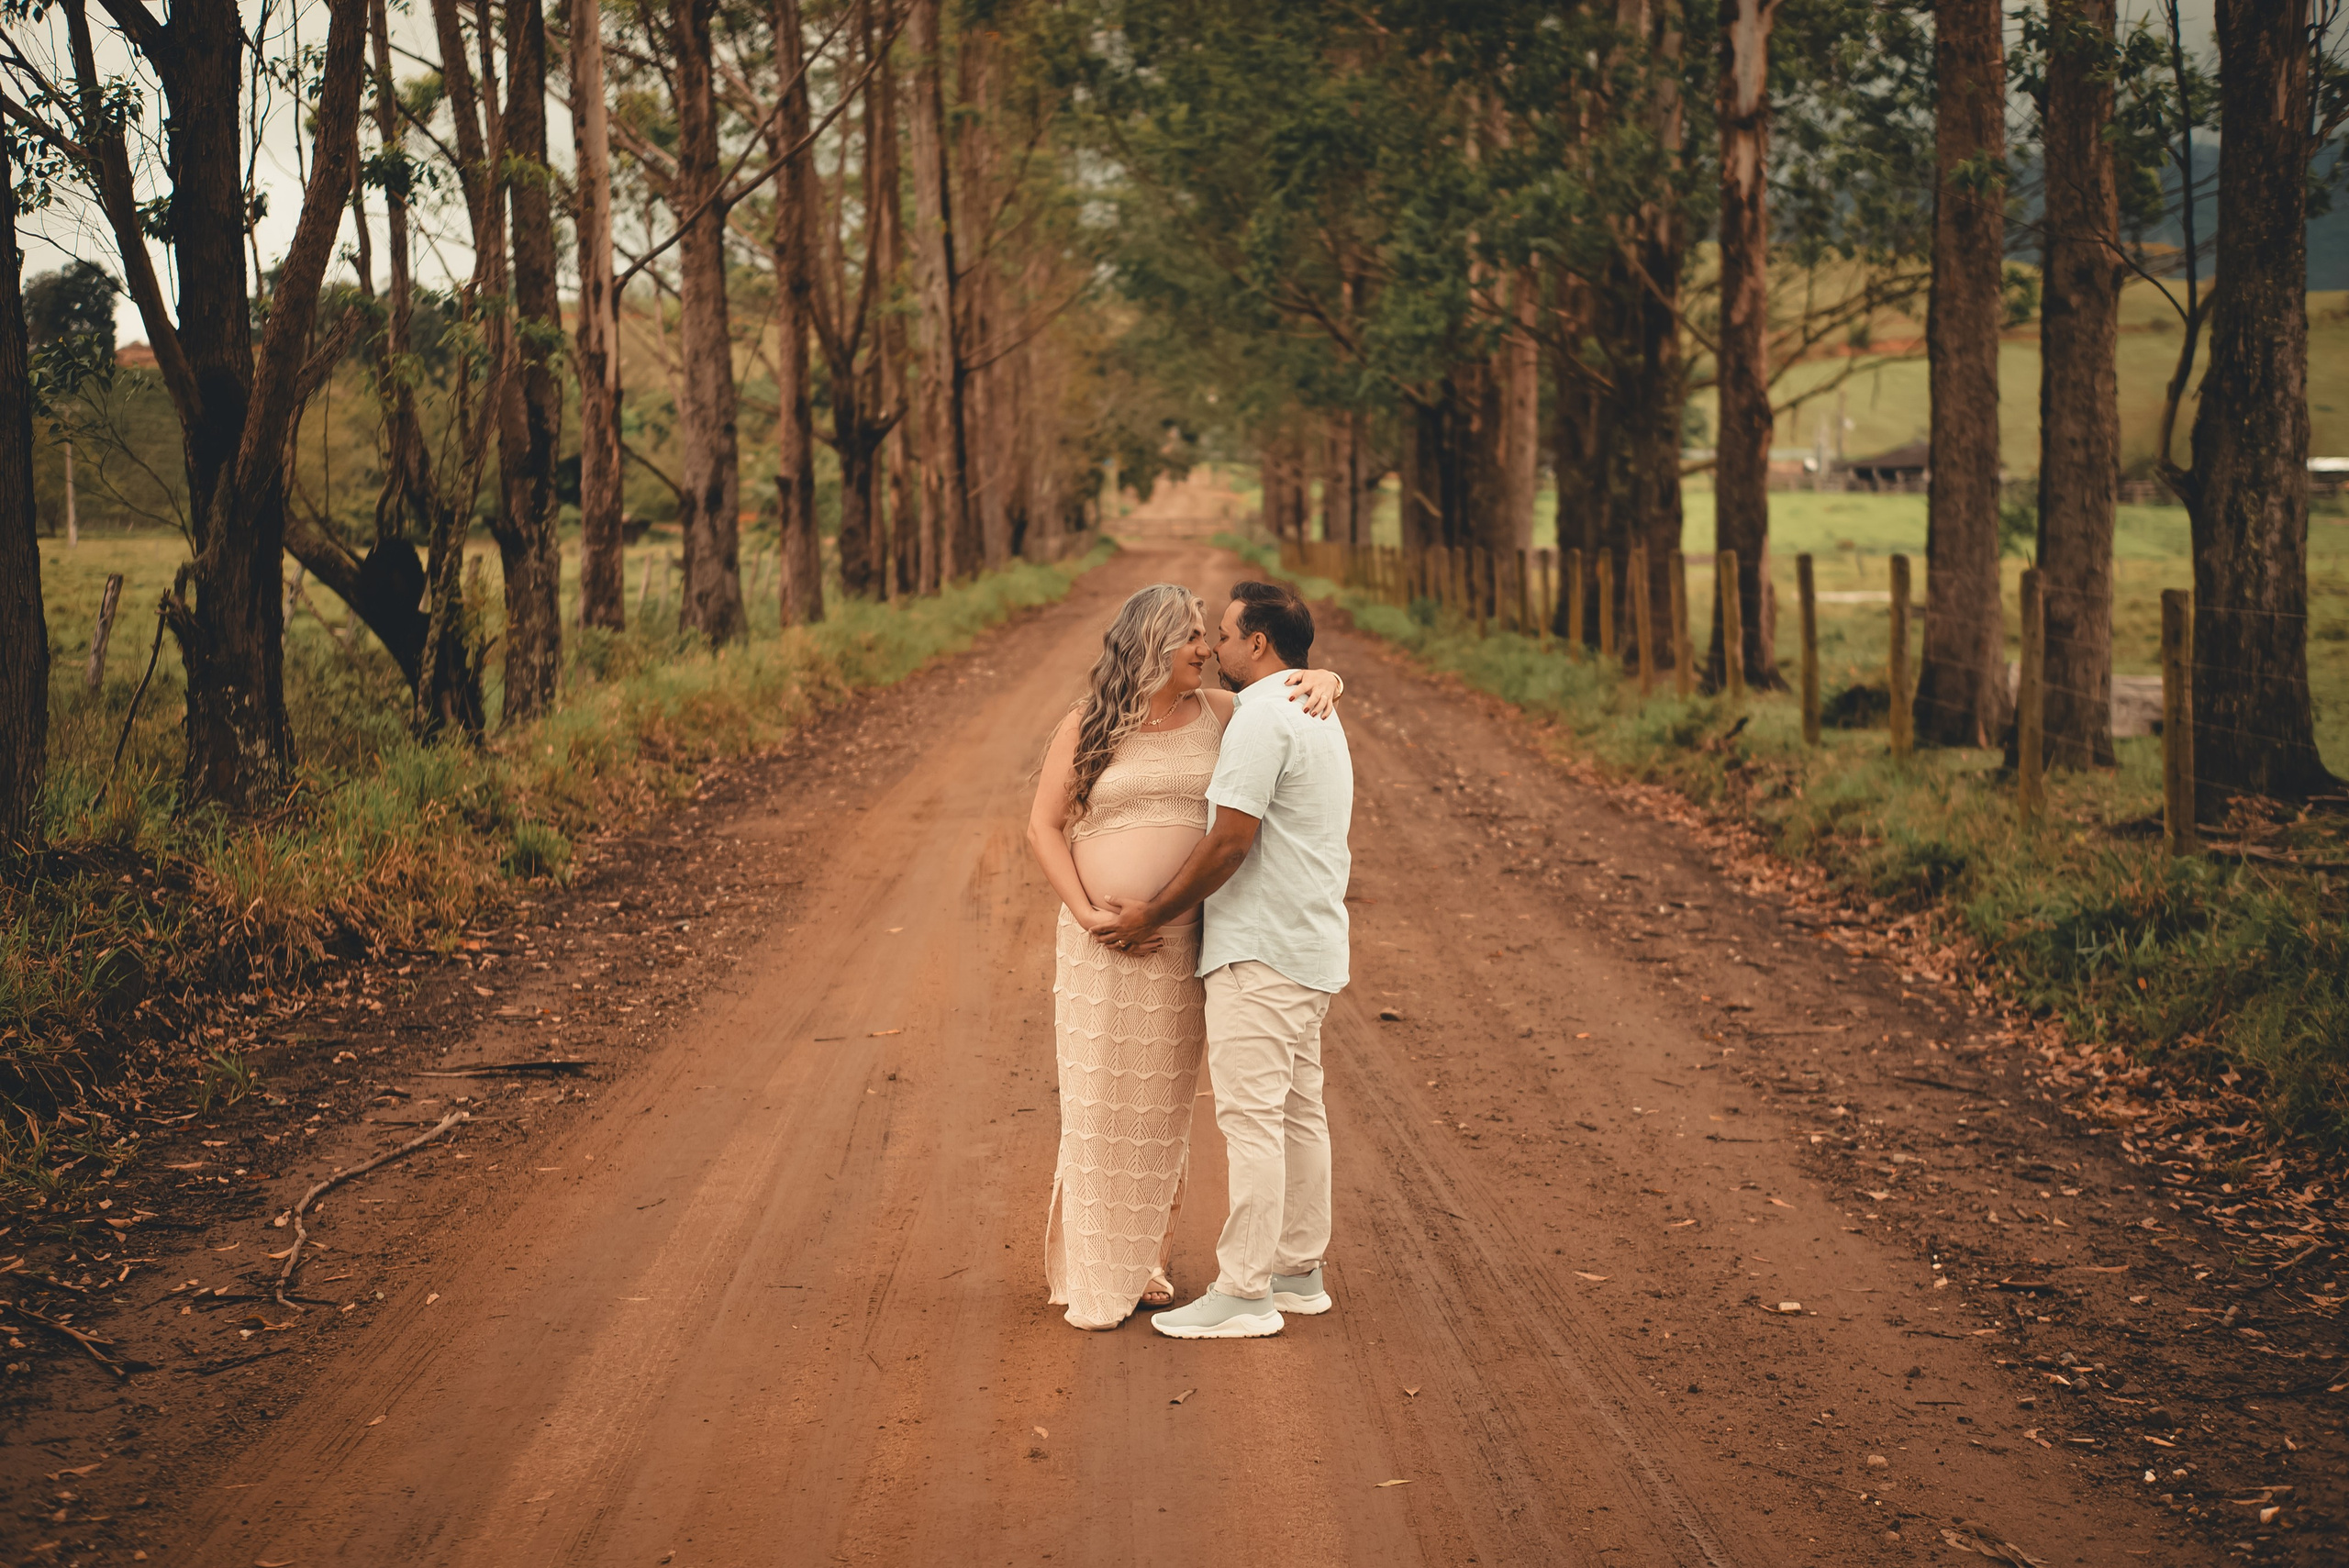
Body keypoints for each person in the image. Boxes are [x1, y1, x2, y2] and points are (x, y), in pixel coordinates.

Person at [1025, 584, 1343, 1330]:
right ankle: (1093, 1261)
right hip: (1100, 942)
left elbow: (1286, 700)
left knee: (1159, 1111)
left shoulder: (1224, 714)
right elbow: (1043, 826)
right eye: (1193, 635)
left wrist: (1330, 676)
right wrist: (1087, 911)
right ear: (1151, 643)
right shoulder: (1088, 723)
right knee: (1097, 1100)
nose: (1206, 647)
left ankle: (1147, 1260)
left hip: (1173, 941)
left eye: (1213, 633)